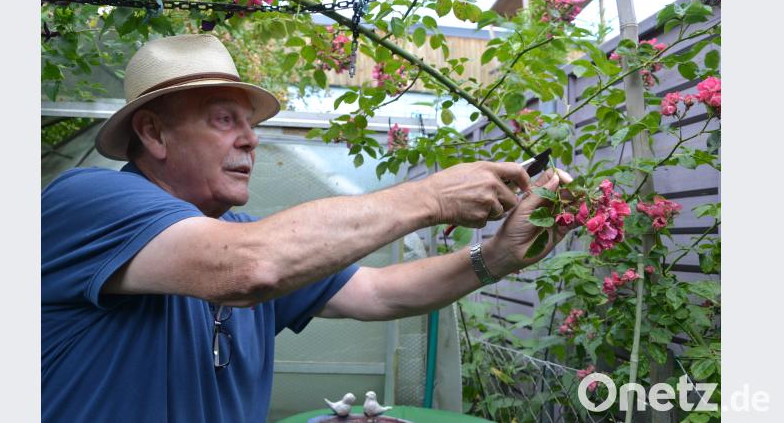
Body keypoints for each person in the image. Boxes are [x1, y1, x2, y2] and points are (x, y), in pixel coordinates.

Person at [41, 34, 575, 422]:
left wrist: (499, 256)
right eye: (225, 119)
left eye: (251, 125)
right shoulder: (89, 202)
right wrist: (433, 196)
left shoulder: (241, 231)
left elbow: (379, 293)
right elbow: (250, 265)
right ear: (154, 133)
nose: (251, 139)